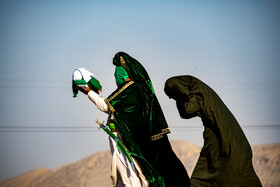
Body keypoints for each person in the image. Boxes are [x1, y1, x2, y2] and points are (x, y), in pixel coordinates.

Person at [75, 52, 190, 187]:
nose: (115, 75)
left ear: (123, 71)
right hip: (135, 139)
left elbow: (105, 106)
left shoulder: (129, 88)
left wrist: (87, 90)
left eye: (117, 72)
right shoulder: (139, 89)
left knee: (128, 177)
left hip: (126, 140)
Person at [164, 75, 262, 187]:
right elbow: (185, 114)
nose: (172, 98)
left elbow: (188, 109)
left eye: (172, 94)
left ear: (179, 87)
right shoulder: (201, 92)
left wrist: (179, 98)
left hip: (225, 147)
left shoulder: (198, 92)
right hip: (226, 145)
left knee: (203, 179)